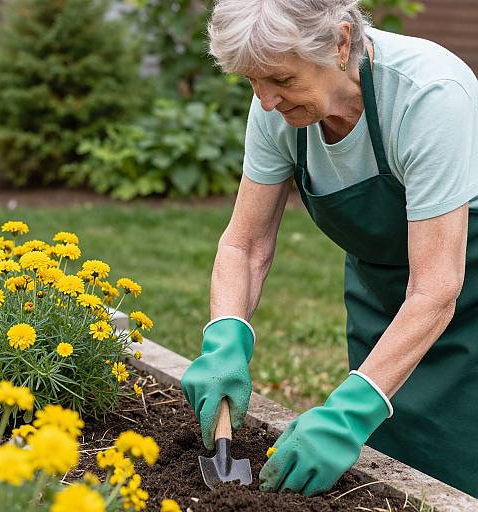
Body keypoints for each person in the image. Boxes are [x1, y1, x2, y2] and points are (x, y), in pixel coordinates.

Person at [181, 0, 478, 498]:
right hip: (383, 298)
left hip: (462, 291)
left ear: (341, 44)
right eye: (253, 83)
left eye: (281, 79)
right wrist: (225, 337)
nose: (267, 101)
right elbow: (245, 243)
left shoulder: (429, 96)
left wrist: (347, 413)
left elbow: (434, 288)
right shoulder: (276, 111)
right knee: (391, 467)